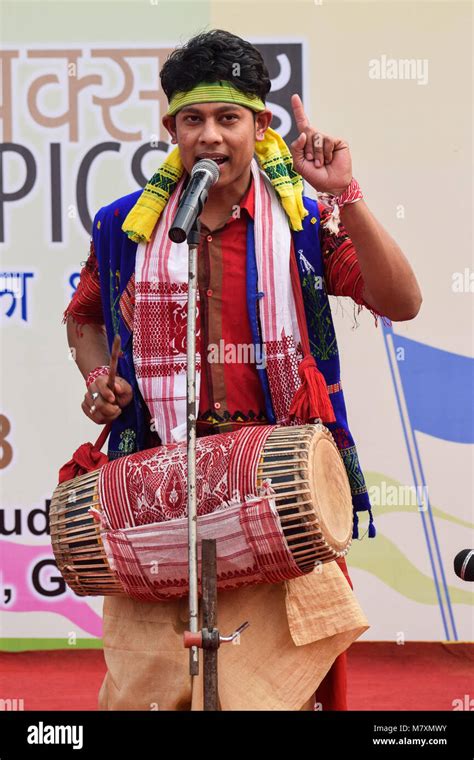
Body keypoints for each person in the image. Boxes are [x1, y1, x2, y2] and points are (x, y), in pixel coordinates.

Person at [64, 29, 422, 711]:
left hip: (276, 492)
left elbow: (401, 300)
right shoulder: (127, 229)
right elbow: (84, 318)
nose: (210, 136)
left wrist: (347, 194)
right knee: (150, 696)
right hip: (163, 496)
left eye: (229, 118)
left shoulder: (304, 221)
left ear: (260, 127)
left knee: (277, 698)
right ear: (170, 127)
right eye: (193, 119)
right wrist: (97, 381)